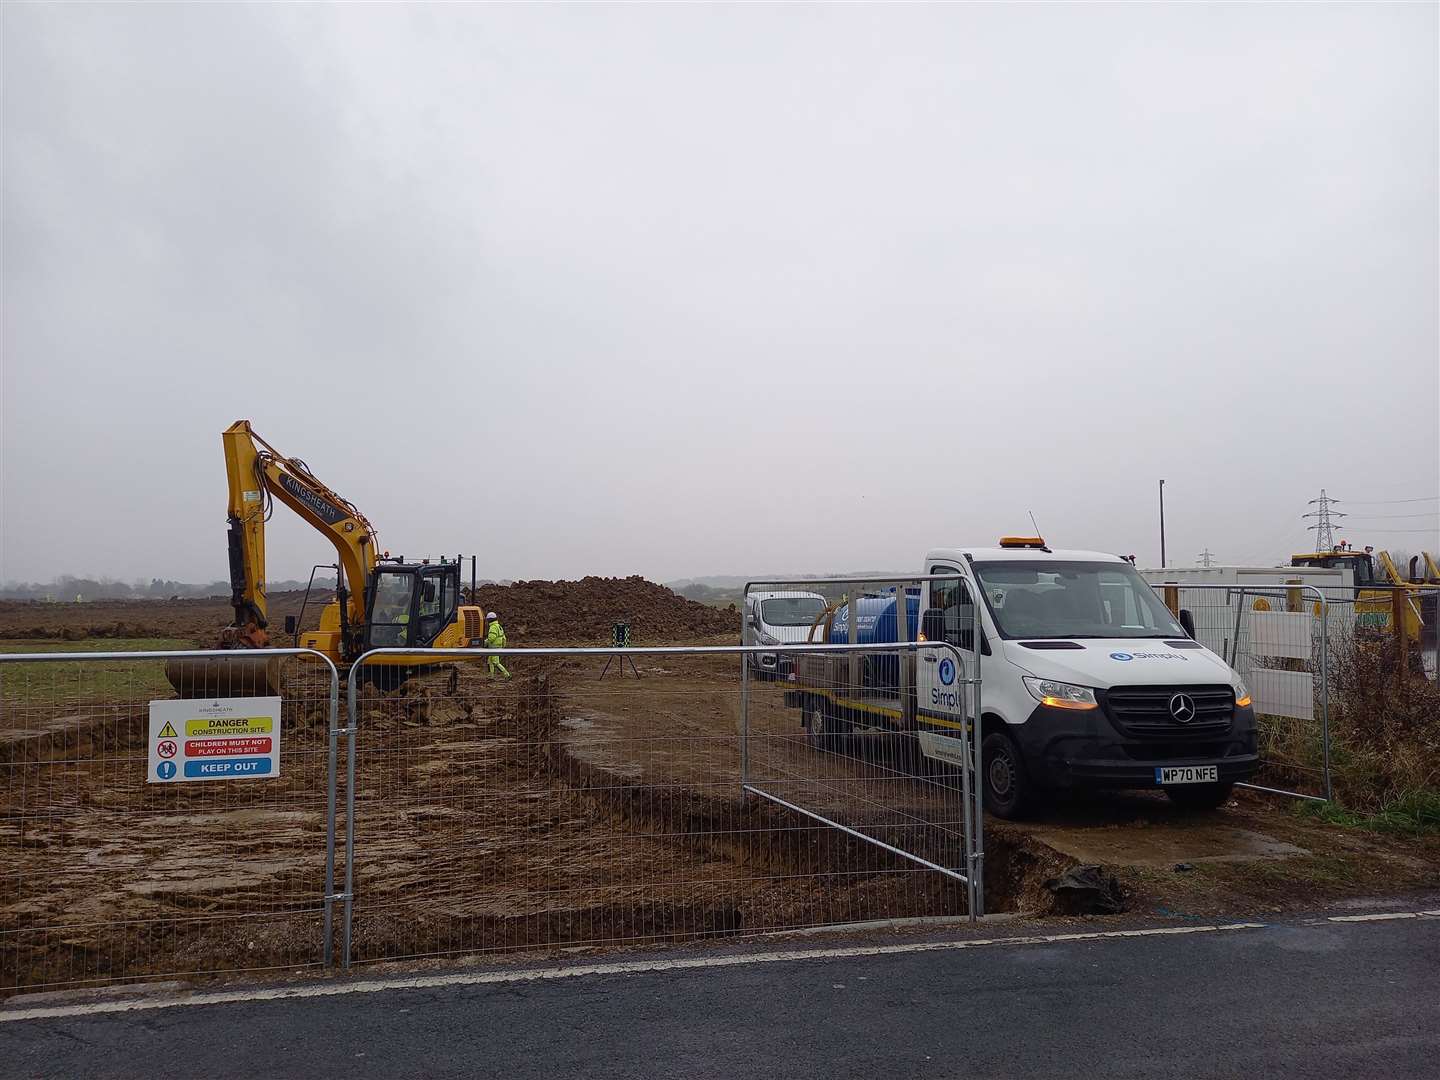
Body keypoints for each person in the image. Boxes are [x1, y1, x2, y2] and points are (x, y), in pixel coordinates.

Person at [485, 612, 510, 679]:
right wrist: (503, 646)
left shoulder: (493, 627)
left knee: (496, 662)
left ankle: (506, 674)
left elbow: (491, 638)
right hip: (498, 647)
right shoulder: (499, 626)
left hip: (494, 648)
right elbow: (504, 637)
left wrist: (485, 643)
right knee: (490, 661)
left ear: (489, 620)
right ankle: (491, 676)